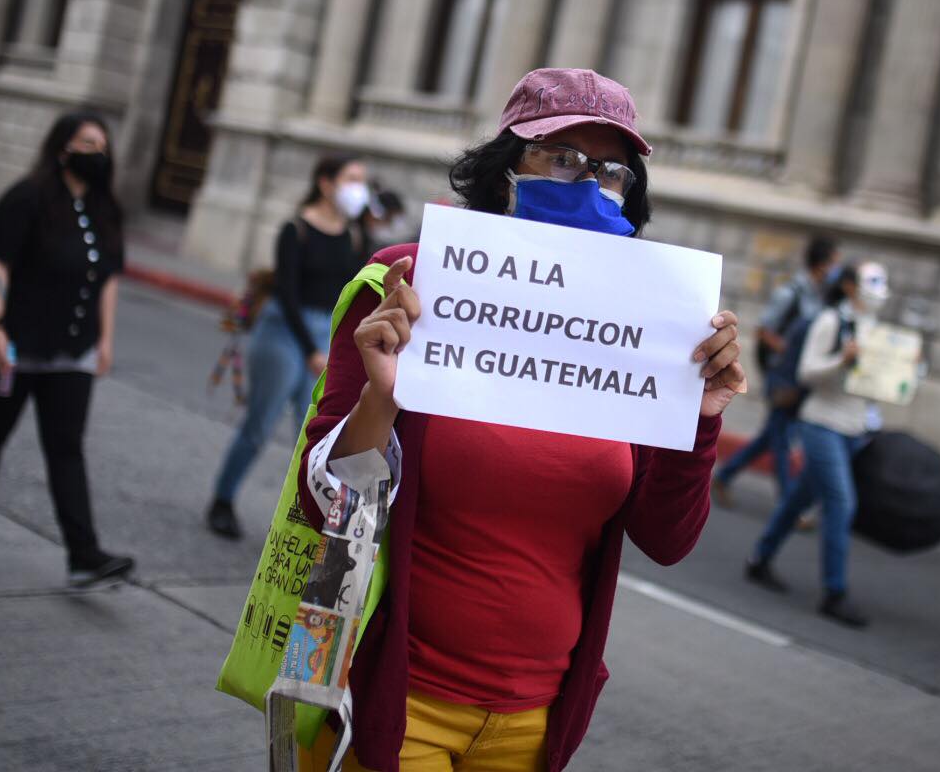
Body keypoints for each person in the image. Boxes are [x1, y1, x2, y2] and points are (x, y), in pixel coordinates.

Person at [293, 67, 746, 772]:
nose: (588, 184)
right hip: (393, 705)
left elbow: (665, 540)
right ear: (505, 168)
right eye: (561, 157)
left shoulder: (643, 330)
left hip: (532, 724)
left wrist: (701, 421)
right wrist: (381, 397)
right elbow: (319, 498)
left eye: (611, 172)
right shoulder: (408, 283)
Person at [0, 111, 135, 587]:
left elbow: (108, 280)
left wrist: (105, 340)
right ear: (61, 148)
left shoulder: (104, 208)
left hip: (73, 348)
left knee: (66, 447)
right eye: (86, 143)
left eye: (102, 145)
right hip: (16, 344)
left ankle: (83, 554)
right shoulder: (28, 197)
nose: (96, 153)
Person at [206, 153, 372, 540]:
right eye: (351, 179)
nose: (358, 189)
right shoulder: (295, 230)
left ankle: (303, 522)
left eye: (361, 181)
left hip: (323, 335)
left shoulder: (355, 236)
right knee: (260, 424)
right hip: (284, 329)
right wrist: (310, 348)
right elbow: (288, 292)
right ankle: (222, 500)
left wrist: (335, 347)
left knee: (313, 432)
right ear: (326, 183)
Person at [743, 262, 891, 629]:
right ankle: (834, 592)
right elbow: (807, 371)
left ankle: (759, 559)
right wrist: (843, 360)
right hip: (822, 423)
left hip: (855, 429)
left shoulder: (876, 330)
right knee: (841, 503)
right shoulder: (830, 321)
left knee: (799, 500)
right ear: (850, 287)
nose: (877, 290)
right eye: (870, 282)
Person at [711, 234, 838, 505]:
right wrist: (790, 352)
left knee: (773, 436)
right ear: (822, 264)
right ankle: (788, 503)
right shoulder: (790, 292)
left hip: (798, 379)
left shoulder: (820, 297)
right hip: (781, 377)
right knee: (781, 441)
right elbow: (763, 331)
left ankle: (725, 475)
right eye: (833, 263)